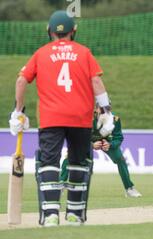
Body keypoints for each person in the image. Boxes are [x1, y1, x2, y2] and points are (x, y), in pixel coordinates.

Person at [9, 11, 115, 227]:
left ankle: (50, 215)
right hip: (80, 118)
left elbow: (21, 81)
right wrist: (106, 112)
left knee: (49, 163)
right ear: (73, 31)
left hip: (51, 118)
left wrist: (18, 112)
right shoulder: (84, 53)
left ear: (49, 31)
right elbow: (96, 82)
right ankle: (75, 214)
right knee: (78, 163)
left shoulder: (40, 54)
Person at [61, 105, 142, 198]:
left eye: (107, 108)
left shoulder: (115, 119)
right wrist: (91, 145)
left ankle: (129, 188)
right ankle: (61, 184)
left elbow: (118, 137)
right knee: (70, 156)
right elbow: (78, 137)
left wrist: (110, 144)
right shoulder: (86, 118)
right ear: (96, 109)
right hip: (88, 140)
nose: (105, 111)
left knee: (121, 160)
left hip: (107, 142)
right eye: (102, 108)